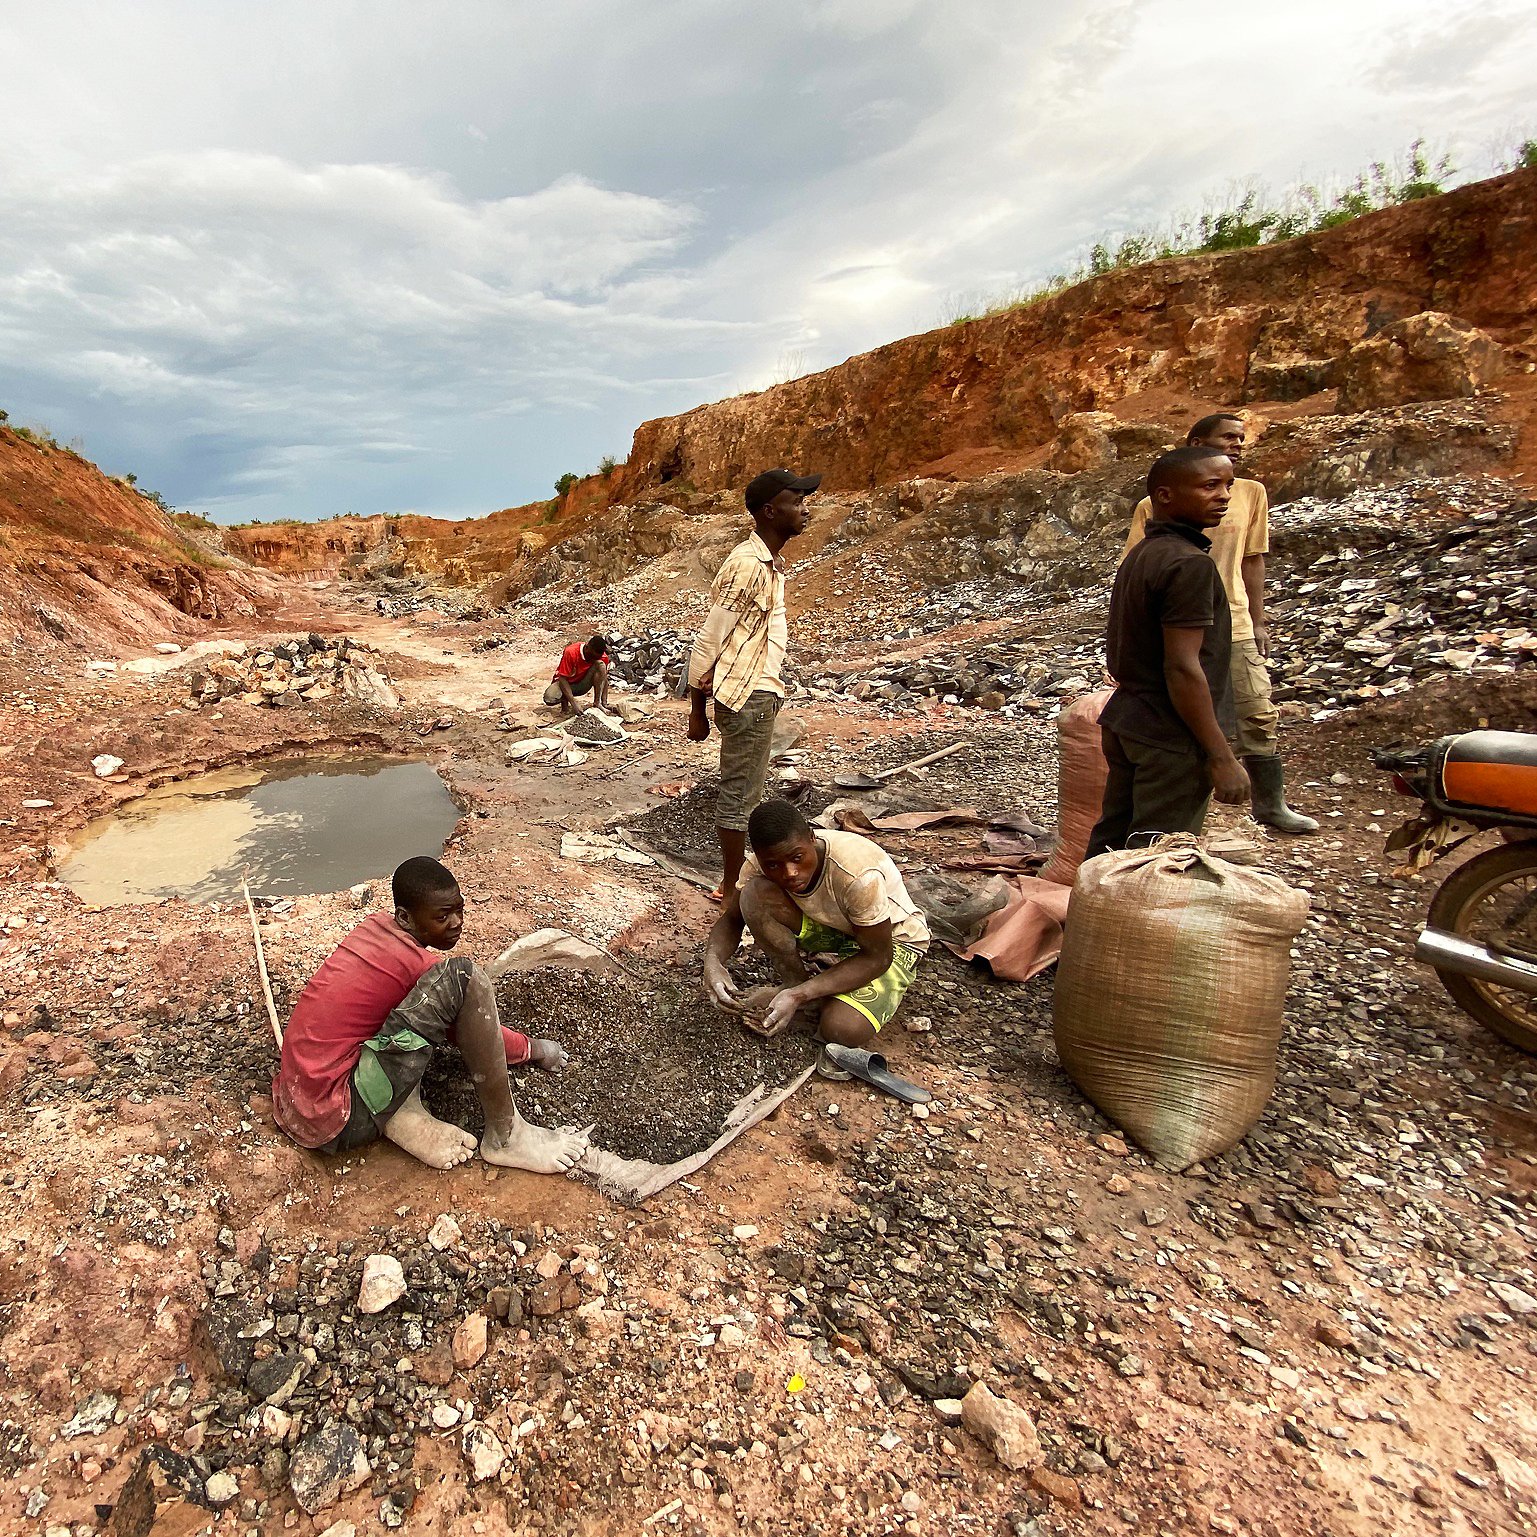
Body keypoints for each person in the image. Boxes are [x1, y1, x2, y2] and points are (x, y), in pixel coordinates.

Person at [271, 856, 590, 1173]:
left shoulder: (373, 931)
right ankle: (508, 1138)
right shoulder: (414, 966)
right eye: (442, 916)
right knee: (464, 978)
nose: (457, 923)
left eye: (459, 910)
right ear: (405, 918)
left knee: (416, 1006)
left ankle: (404, 1112)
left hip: (299, 1101)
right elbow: (472, 1031)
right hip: (340, 1116)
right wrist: (536, 1049)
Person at [1123, 413, 1317, 834]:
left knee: (1255, 711)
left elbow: (1253, 559)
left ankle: (1269, 803)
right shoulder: (1173, 543)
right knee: (1184, 707)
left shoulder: (1251, 495)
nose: (1223, 495)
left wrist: (1259, 619)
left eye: (1240, 440)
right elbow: (1138, 573)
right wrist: (1219, 757)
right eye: (1227, 438)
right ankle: (1195, 799)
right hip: (1184, 620)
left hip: (1234, 619)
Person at [1087, 446, 1249, 857]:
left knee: (1112, 845)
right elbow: (1182, 667)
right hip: (1171, 735)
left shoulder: (1145, 554)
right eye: (1209, 485)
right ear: (1165, 496)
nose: (1224, 496)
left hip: (1131, 721)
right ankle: (1111, 922)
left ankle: (1084, 920)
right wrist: (1221, 755)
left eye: (1228, 485)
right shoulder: (1188, 565)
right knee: (1155, 859)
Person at [702, 799, 929, 1070]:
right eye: (773, 865)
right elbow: (732, 919)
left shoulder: (857, 875)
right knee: (752, 895)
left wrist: (801, 995)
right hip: (836, 929)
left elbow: (878, 957)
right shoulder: (757, 866)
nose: (790, 873)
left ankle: (801, 996)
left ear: (812, 837)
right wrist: (713, 962)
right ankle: (793, 984)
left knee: (841, 1030)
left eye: (797, 858)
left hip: (891, 940)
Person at [687, 467, 820, 899]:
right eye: (795, 502)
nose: (804, 510)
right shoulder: (747, 566)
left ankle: (738, 878)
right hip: (747, 696)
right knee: (741, 796)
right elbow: (711, 636)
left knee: (746, 791)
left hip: (755, 692)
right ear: (768, 511)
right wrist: (696, 711)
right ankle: (729, 887)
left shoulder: (768, 565)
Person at [543, 633, 612, 715]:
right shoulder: (571, 652)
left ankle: (597, 703)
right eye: (591, 656)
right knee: (549, 698)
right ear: (586, 648)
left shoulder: (602, 657)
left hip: (582, 684)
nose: (593, 660)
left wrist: (604, 702)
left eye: (596, 658)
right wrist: (573, 702)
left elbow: (603, 678)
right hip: (564, 683)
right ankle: (565, 705)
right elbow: (563, 678)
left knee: (601, 666)